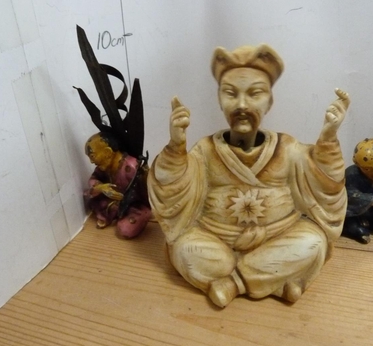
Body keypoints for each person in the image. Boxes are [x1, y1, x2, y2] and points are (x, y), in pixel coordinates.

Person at [147, 44, 350, 307]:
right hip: (217, 239)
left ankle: (233, 283)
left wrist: (328, 137)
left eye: (255, 94)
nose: (242, 105)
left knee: (313, 242)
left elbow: (325, 181)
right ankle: (274, 281)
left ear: (269, 101)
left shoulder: (287, 148)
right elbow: (170, 187)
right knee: (186, 249)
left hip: (278, 236)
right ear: (219, 99)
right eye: (231, 93)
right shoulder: (206, 150)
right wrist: (176, 146)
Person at [84, 133, 151, 238]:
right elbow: (93, 179)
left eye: (92, 156)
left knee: (125, 229)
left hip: (135, 205)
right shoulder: (104, 167)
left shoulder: (131, 167)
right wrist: (101, 188)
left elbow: (146, 193)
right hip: (115, 202)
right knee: (93, 199)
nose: (92, 162)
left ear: (107, 152)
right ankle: (112, 214)